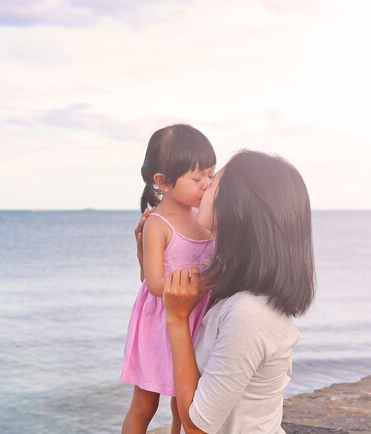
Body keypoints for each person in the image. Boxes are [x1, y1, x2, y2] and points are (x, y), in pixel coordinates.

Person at [137, 150, 315, 433]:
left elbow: (197, 427)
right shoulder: (228, 291)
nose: (204, 186)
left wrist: (177, 319)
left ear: (234, 205)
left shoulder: (250, 313)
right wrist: (148, 255)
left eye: (214, 181)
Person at [121, 124, 217, 434]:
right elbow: (153, 283)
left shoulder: (207, 219)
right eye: (196, 177)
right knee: (145, 403)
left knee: (184, 401)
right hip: (160, 324)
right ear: (162, 181)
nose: (206, 185)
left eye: (210, 176)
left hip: (195, 320)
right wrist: (199, 283)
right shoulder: (157, 224)